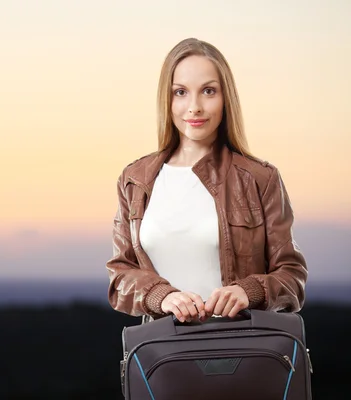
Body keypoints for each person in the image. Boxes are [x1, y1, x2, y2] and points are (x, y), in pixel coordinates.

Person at [106, 38, 308, 324]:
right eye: (181, 92)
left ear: (226, 98)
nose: (195, 107)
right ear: (167, 99)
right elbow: (120, 276)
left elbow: (292, 276)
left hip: (242, 350)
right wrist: (161, 296)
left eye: (208, 91)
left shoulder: (260, 178)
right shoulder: (135, 180)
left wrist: (248, 291)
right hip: (165, 354)